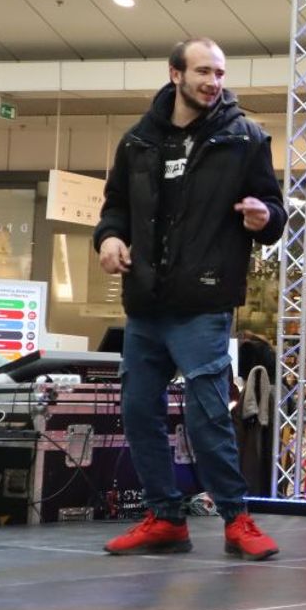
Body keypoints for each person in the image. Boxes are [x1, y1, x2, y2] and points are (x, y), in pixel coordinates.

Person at [95, 37, 286, 559]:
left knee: (208, 416)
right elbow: (115, 209)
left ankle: (236, 519)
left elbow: (274, 211)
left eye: (219, 73)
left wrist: (264, 217)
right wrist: (108, 239)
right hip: (145, 303)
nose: (213, 82)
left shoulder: (245, 138)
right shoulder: (137, 140)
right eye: (203, 71)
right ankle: (165, 517)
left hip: (204, 300)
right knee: (139, 411)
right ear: (175, 74)